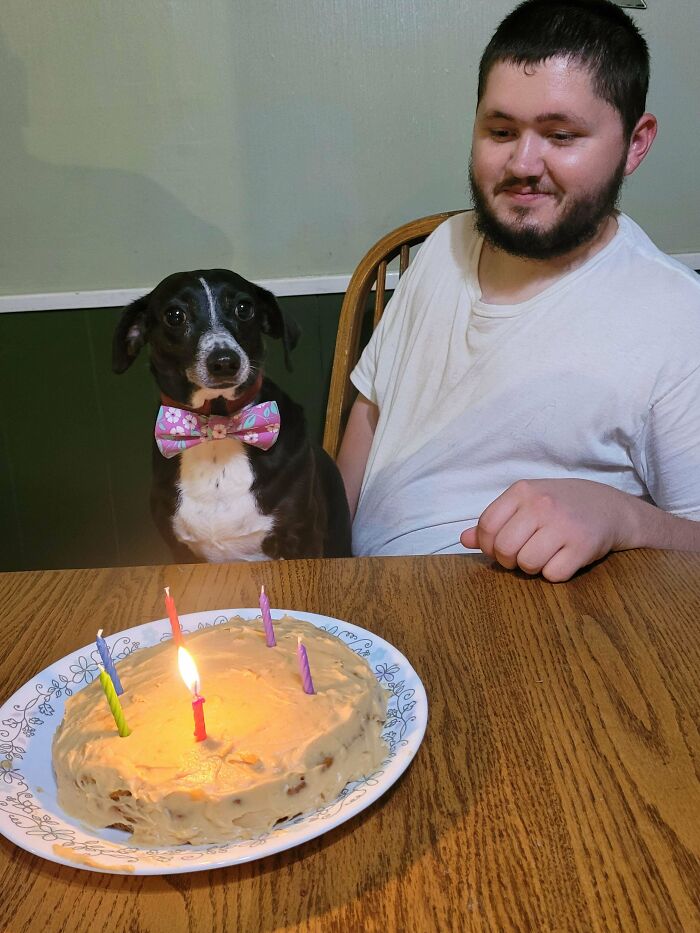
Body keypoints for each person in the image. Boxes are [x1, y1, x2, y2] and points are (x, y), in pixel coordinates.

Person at [337, 0, 700, 581]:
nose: (523, 163)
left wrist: (623, 518)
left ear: (636, 143)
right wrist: (326, 568)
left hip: (532, 625)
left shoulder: (680, 316)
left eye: (561, 134)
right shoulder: (442, 248)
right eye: (500, 131)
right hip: (370, 597)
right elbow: (371, 418)